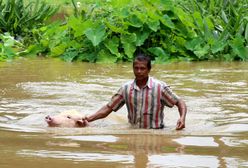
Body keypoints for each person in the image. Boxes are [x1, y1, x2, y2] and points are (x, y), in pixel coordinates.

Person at [82, 53, 187, 130]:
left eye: (142, 68)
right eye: (136, 68)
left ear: (149, 70)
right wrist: (88, 119)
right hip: (134, 132)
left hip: (156, 131)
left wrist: (182, 118)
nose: (139, 71)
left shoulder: (160, 88)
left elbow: (179, 102)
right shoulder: (126, 89)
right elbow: (108, 108)